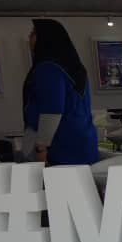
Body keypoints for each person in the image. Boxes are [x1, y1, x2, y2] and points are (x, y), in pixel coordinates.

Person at [22, 19, 99, 165]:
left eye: (33, 33)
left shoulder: (48, 68)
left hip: (60, 148)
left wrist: (41, 148)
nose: (29, 37)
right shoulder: (74, 67)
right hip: (83, 143)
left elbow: (52, 110)